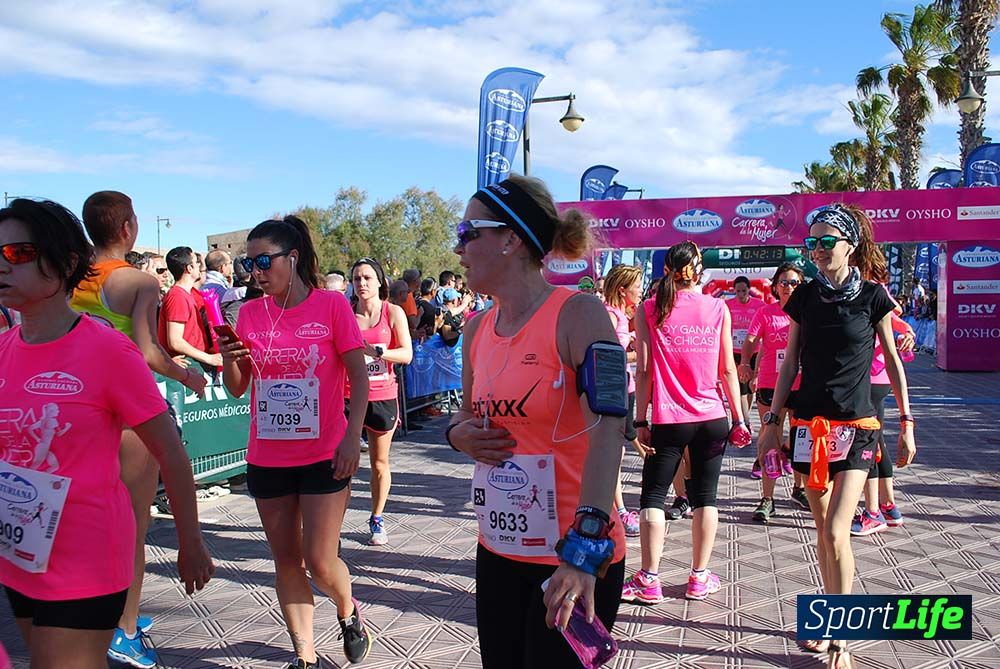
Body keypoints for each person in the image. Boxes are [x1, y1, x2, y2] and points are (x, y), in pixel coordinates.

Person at [0, 198, 214, 669]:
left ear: (65, 263)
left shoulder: (108, 351)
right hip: (19, 556)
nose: (3, 264)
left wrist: (191, 542)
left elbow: (171, 453)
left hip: (86, 559)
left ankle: (127, 627)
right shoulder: (3, 349)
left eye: (18, 253)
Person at [446, 175, 627, 668]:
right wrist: (457, 435)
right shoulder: (477, 329)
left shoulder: (579, 313)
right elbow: (466, 415)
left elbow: (610, 426)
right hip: (499, 548)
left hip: (573, 553)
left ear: (511, 238)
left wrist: (585, 548)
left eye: (467, 233)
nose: (458, 248)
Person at [759, 204, 915, 668]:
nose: (818, 250)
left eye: (827, 242)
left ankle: (842, 640)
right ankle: (828, 620)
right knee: (823, 533)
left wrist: (907, 422)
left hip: (857, 427)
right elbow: (790, 362)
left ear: (850, 245)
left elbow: (893, 359)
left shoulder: (873, 296)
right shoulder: (804, 297)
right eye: (812, 243)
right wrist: (772, 422)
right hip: (810, 428)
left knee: (835, 530)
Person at [218, 216, 373, 667]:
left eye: (264, 261)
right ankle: (305, 656)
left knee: (320, 561)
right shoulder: (249, 313)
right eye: (249, 264)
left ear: (293, 257)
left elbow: (359, 377)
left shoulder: (331, 306)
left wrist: (352, 438)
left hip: (325, 453)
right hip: (268, 456)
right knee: (286, 560)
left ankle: (347, 609)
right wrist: (229, 359)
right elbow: (237, 388)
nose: (256, 272)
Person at [72, 190, 209, 666]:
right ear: (128, 227)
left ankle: (111, 616)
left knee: (92, 524)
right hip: (128, 412)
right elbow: (149, 352)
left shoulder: (71, 277)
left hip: (79, 408)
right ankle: (124, 630)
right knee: (131, 527)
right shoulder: (139, 282)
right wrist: (189, 376)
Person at [622, 241, 745, 605]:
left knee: (653, 497)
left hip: (669, 418)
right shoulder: (718, 307)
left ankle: (649, 579)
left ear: (666, 271)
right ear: (699, 272)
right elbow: (728, 369)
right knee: (706, 498)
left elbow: (644, 370)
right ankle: (699, 577)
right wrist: (739, 418)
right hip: (712, 417)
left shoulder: (650, 308)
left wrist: (640, 418)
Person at [346, 258, 413, 546]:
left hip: (382, 395)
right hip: (348, 395)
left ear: (379, 282)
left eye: (367, 278)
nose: (361, 283)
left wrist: (377, 352)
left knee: (379, 463)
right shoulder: (346, 314)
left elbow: (406, 354)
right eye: (356, 278)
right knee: (343, 463)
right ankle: (333, 521)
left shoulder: (393, 312)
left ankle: (377, 517)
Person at [739, 263, 809, 523]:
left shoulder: (810, 312)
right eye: (784, 282)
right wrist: (745, 364)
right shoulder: (765, 312)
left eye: (794, 282)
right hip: (771, 384)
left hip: (803, 385)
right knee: (770, 441)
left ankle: (799, 489)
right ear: (776, 287)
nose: (789, 287)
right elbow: (750, 341)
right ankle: (767, 499)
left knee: (801, 440)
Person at [601, 264, 647, 538]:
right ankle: (619, 512)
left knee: (619, 450)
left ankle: (618, 511)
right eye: (637, 287)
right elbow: (604, 354)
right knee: (614, 454)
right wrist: (636, 355)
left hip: (625, 388)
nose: (640, 291)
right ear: (623, 290)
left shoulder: (620, 315)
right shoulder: (609, 314)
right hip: (613, 391)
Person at [157, 246, 222, 369]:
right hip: (189, 365)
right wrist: (209, 358)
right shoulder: (177, 296)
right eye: (196, 262)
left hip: (194, 362)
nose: (199, 266)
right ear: (189, 268)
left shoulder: (185, 294)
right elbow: (175, 341)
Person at [726, 276, 765, 477]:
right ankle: (745, 421)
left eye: (744, 291)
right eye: (738, 291)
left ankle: (745, 415)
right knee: (740, 387)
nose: (741, 295)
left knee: (750, 388)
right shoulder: (728, 305)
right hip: (734, 350)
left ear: (749, 290)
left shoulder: (759, 306)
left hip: (754, 351)